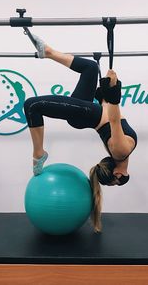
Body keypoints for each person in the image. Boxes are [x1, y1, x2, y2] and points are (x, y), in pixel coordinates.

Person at [24, 36, 137, 232]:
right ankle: (48, 52)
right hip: (88, 113)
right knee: (91, 68)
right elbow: (111, 118)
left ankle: (38, 154)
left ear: (117, 174)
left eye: (117, 182)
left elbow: (115, 120)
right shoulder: (122, 152)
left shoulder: (120, 152)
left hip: (87, 115)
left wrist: (113, 93)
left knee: (32, 106)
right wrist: (104, 96)